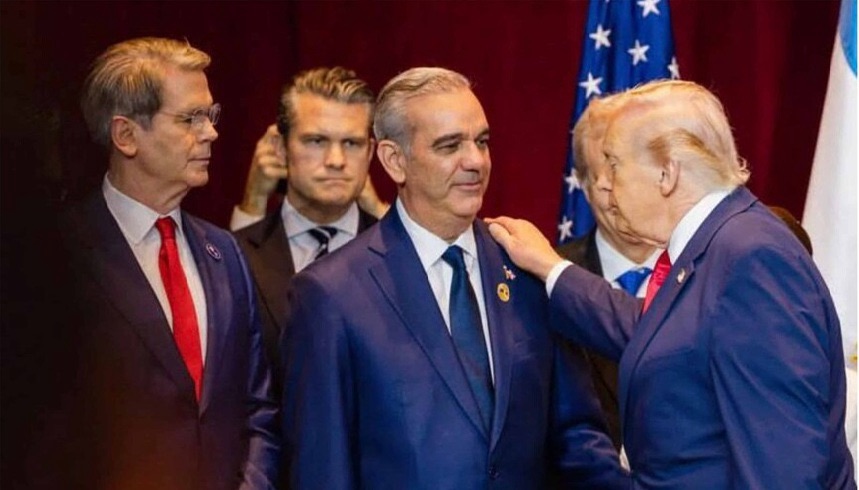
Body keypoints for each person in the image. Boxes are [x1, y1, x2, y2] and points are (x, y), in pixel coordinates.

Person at [488, 80, 855, 489]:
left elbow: (783, 469)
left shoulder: (751, 259)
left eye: (614, 163)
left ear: (667, 173)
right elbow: (661, 332)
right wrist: (551, 268)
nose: (604, 184)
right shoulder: (718, 245)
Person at [281, 67, 628, 489]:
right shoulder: (331, 294)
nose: (475, 161)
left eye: (481, 142)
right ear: (394, 160)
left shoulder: (527, 267)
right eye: (450, 146)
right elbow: (322, 469)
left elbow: (575, 437)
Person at [59, 37, 279, 490]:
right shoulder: (57, 254)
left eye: (210, 115)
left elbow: (258, 408)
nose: (211, 132)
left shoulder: (225, 252)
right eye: (190, 118)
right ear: (126, 136)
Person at [232, 67, 380, 392]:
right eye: (316, 140)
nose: (336, 160)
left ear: (371, 152)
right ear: (281, 148)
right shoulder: (233, 256)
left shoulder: (400, 253)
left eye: (352, 143)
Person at [557, 96, 661, 449]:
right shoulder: (546, 281)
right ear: (585, 186)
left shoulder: (705, 274)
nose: (621, 191)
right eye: (609, 171)